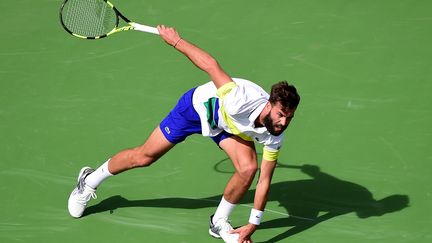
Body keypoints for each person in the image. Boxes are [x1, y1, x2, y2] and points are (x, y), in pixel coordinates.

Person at [67, 25, 300, 243]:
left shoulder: (275, 135)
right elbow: (210, 64)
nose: (283, 122)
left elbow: (265, 180)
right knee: (144, 157)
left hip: (226, 127)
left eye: (289, 117)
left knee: (248, 168)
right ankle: (89, 182)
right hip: (196, 110)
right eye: (281, 114)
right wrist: (175, 41)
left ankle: (218, 222)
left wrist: (253, 224)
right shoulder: (240, 99)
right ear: (269, 105)